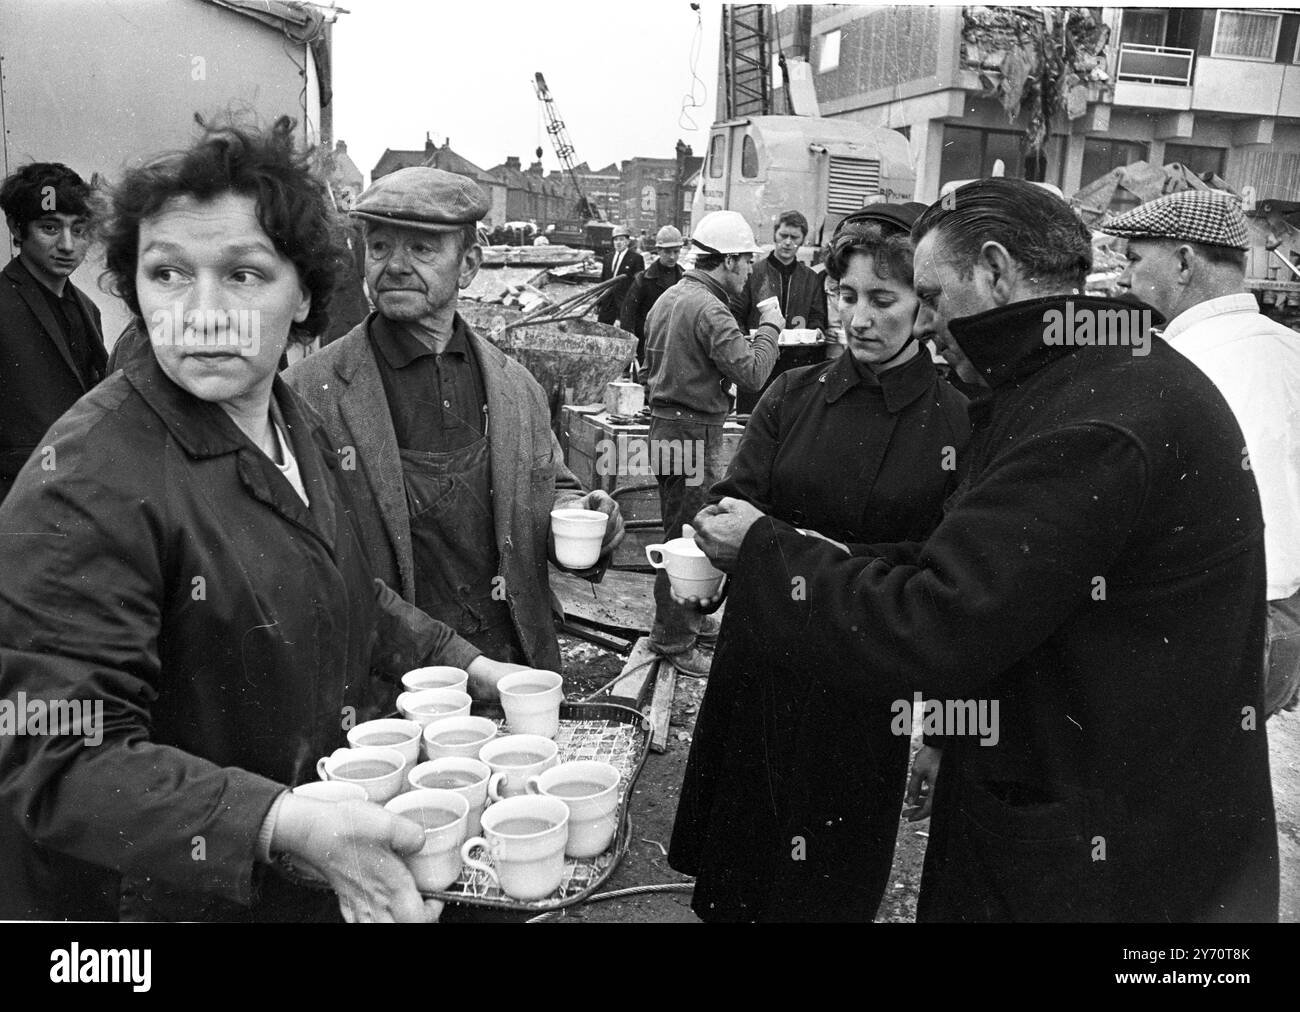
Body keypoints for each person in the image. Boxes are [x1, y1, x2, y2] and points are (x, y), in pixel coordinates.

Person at [688, 179, 1278, 921]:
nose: (922, 323)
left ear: (996, 272)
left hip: (1101, 852)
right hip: (1093, 812)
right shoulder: (1089, 375)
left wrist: (770, 552)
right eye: (850, 295)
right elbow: (983, 571)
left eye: (927, 295)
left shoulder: (1092, 417)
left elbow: (944, 617)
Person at [0, 119, 525, 923]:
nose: (203, 313)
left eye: (244, 275)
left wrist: (468, 665)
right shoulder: (86, 480)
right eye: (168, 273)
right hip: (164, 907)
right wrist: (275, 822)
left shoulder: (293, 424)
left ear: (307, 293)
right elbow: (58, 752)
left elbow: (343, 586)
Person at [668, 206, 970, 921]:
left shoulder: (957, 421)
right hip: (760, 663)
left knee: (825, 881)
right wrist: (706, 562)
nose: (859, 318)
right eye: (845, 296)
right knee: (737, 866)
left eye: (882, 299)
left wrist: (785, 547)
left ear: (924, 308)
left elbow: (943, 569)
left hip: (861, 686)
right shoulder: (792, 393)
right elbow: (731, 502)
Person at [285, 167, 623, 672]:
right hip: (390, 688)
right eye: (379, 247)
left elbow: (549, 487)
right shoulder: (310, 393)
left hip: (514, 668)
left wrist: (584, 513)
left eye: (421, 249)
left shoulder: (515, 386)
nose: (394, 266)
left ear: (468, 266)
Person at [1106, 190, 1300, 717]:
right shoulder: (1289, 350)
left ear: (1185, 262)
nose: (1125, 277)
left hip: (1203, 620)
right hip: (1283, 620)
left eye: (1134, 259)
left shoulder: (1175, 363)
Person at [640, 210, 783, 677]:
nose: (748, 274)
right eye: (745, 263)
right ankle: (674, 639)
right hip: (693, 433)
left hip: (666, 427)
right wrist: (770, 328)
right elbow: (755, 373)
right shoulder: (710, 309)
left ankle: (688, 623)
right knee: (688, 537)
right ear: (725, 261)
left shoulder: (668, 298)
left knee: (678, 528)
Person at [0, 162, 106, 502]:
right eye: (50, 227)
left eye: (79, 230)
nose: (67, 244)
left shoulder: (88, 308)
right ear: (17, 227)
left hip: (76, 497)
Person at [731, 210, 829, 413]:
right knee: (753, 420)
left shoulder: (810, 278)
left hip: (796, 364)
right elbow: (736, 314)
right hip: (758, 360)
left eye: (794, 237)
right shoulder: (754, 272)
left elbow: (818, 317)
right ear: (774, 235)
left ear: (803, 240)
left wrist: (817, 330)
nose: (787, 242)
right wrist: (744, 342)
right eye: (783, 235)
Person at [619, 224, 685, 364]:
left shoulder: (685, 280)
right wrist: (630, 347)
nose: (672, 257)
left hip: (675, 347)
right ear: (659, 251)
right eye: (667, 252)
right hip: (647, 346)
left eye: (676, 251)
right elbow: (628, 314)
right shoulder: (643, 280)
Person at [595, 224, 644, 325]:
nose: (618, 242)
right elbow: (603, 280)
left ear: (627, 241)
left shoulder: (636, 259)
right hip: (607, 303)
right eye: (616, 240)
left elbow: (639, 285)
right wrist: (598, 302)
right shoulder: (608, 258)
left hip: (624, 304)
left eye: (621, 239)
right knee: (602, 330)